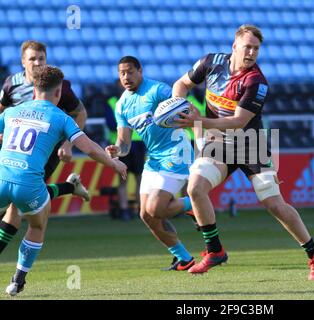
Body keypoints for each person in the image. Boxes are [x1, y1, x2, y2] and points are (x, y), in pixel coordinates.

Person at [173, 24, 314, 279]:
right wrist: (183, 104)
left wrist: (197, 122)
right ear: (235, 46)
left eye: (256, 49)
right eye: (248, 47)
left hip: (251, 144)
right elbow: (180, 84)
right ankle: (215, 250)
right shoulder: (210, 62)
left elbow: (237, 122)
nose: (252, 53)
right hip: (218, 143)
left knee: (274, 204)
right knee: (195, 188)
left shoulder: (256, 82)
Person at [0, 65, 127, 296]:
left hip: (1, 178)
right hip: (28, 185)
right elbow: (89, 148)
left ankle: (71, 187)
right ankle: (17, 281)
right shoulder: (62, 118)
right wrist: (114, 163)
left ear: (34, 89)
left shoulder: (11, 112)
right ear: (58, 93)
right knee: (37, 224)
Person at [105, 56, 195, 271]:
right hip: (154, 159)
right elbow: (124, 143)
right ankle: (183, 258)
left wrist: (186, 111)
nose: (126, 77)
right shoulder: (122, 105)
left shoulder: (157, 90)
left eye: (130, 71)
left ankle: (193, 204)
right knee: (146, 215)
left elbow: (183, 103)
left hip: (176, 153)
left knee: (155, 208)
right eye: (122, 73)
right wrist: (117, 150)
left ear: (140, 71)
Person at [0, 40, 89, 254]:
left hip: (45, 152)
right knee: (19, 201)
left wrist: (67, 144)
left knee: (16, 207)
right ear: (23, 61)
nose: (37, 62)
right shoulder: (11, 83)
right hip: (14, 151)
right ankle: (69, 187)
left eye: (41, 58)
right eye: (32, 58)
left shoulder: (58, 86)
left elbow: (81, 113)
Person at [105, 79, 146, 221]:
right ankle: (124, 209)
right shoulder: (112, 102)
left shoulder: (136, 100)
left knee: (140, 178)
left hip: (138, 143)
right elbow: (111, 123)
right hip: (120, 145)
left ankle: (141, 208)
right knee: (123, 178)